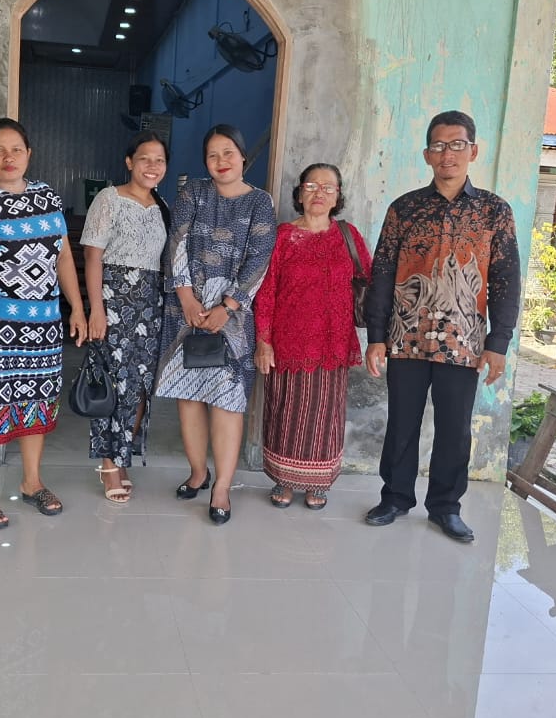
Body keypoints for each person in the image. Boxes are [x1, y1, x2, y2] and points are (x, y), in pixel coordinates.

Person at [362, 110, 521, 543]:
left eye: (456, 145)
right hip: (405, 335)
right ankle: (395, 498)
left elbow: (506, 280)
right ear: (427, 155)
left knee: (455, 428)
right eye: (438, 146)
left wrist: (498, 343)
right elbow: (382, 274)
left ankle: (446, 507)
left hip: (464, 341)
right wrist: (376, 337)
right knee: (402, 423)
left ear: (473, 150)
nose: (447, 154)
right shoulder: (405, 209)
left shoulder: (493, 212)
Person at [0, 118, 87, 529]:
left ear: (29, 154)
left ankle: (31, 482)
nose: (8, 158)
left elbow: (63, 257)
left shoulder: (47, 197)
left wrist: (77, 308)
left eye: (16, 150)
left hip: (43, 328)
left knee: (37, 400)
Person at [154, 123, 276, 525]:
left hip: (233, 318)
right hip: (185, 310)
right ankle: (198, 473)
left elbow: (260, 256)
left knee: (227, 400)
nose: (221, 161)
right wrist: (187, 298)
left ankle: (221, 487)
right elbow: (176, 242)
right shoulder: (194, 193)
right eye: (212, 155)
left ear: (243, 157)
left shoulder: (260, 202)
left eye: (228, 153)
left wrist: (228, 305)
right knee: (188, 396)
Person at [254, 164, 372, 510]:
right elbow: (266, 291)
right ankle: (284, 479)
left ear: (337, 197)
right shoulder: (282, 236)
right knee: (286, 413)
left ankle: (318, 482)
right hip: (288, 342)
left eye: (327, 188)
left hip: (333, 342)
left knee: (325, 415)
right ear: (300, 193)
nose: (319, 193)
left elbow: (370, 279)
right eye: (311, 186)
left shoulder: (348, 235)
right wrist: (263, 341)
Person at [82, 131, 171, 502]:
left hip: (150, 305)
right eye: (145, 158)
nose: (152, 166)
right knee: (113, 384)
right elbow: (92, 257)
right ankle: (109, 463)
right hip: (114, 301)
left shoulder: (162, 206)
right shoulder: (110, 198)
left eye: (159, 160)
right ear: (129, 162)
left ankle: (122, 455)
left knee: (140, 388)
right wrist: (96, 310)